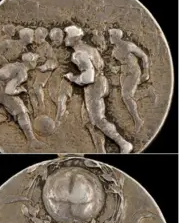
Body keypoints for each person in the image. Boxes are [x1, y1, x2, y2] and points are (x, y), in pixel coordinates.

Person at [64, 25, 133, 153]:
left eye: (67, 35)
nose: (65, 38)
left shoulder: (79, 54)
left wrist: (73, 78)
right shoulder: (91, 49)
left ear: (74, 38)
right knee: (90, 121)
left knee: (97, 119)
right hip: (100, 83)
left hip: (93, 86)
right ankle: (101, 151)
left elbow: (88, 77)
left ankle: (123, 143)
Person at [0, 52, 44, 149]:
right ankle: (32, 140)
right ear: (31, 63)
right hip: (1, 92)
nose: (36, 63)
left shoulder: (14, 65)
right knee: (21, 110)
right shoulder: (22, 73)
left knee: (2, 113)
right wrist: (20, 90)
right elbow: (9, 90)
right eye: (36, 61)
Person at [109, 28, 151, 133]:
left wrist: (146, 71)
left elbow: (144, 56)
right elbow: (116, 65)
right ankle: (148, 92)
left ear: (116, 37)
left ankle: (138, 120)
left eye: (111, 36)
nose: (109, 38)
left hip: (133, 72)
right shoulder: (114, 51)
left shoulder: (128, 46)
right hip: (123, 74)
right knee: (127, 97)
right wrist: (114, 69)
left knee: (126, 96)